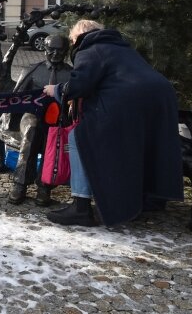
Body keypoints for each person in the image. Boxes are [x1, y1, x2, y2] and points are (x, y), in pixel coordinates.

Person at [43, 20, 184, 226]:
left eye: (73, 41)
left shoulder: (89, 48)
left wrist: (55, 90)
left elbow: (77, 86)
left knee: (78, 136)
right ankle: (144, 201)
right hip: (161, 99)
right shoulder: (122, 48)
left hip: (129, 103)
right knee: (141, 147)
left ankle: (80, 207)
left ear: (77, 38)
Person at [2, 34, 72, 206]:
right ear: (45, 49)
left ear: (66, 51)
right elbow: (17, 97)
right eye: (51, 50)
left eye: (60, 50)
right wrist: (9, 120)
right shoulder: (32, 70)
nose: (55, 54)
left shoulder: (72, 74)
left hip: (58, 119)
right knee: (32, 131)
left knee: (52, 136)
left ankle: (44, 186)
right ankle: (20, 183)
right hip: (31, 116)